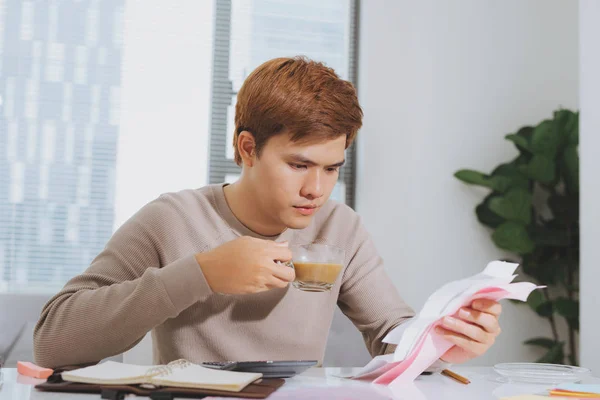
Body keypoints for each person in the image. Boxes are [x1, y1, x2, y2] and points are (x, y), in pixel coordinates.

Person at [34, 56, 502, 369]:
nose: (316, 189)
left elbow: (389, 332)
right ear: (247, 148)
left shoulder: (341, 227)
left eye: (331, 168)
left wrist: (442, 340)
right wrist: (201, 273)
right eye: (299, 165)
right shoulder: (172, 219)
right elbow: (54, 341)